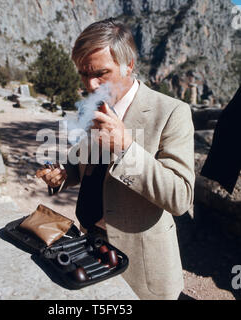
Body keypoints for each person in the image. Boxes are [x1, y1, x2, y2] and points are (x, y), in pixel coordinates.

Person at [37, 18, 195, 300]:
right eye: (84, 75)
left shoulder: (171, 113)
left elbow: (180, 197)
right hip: (88, 248)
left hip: (141, 265)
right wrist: (64, 174)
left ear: (128, 65)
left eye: (101, 73)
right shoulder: (94, 107)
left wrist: (126, 148)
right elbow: (83, 162)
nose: (91, 84)